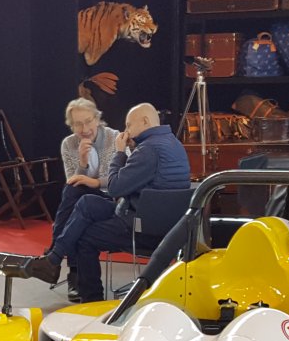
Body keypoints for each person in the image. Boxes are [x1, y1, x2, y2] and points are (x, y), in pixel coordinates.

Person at [24, 102, 189, 303]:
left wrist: (119, 153)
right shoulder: (172, 143)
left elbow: (114, 187)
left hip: (143, 228)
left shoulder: (148, 150)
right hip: (159, 222)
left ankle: (90, 298)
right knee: (85, 202)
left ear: (145, 121)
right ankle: (54, 258)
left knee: (84, 236)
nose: (127, 130)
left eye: (129, 125)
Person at [55, 98, 121, 266]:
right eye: (78, 124)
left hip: (110, 198)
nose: (84, 129)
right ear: (71, 126)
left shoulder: (114, 137)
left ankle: (55, 254)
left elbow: (122, 179)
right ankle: (69, 268)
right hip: (80, 198)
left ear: (97, 119)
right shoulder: (68, 144)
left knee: (77, 201)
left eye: (88, 121)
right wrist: (82, 163)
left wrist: (94, 182)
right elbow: (72, 181)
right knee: (73, 192)